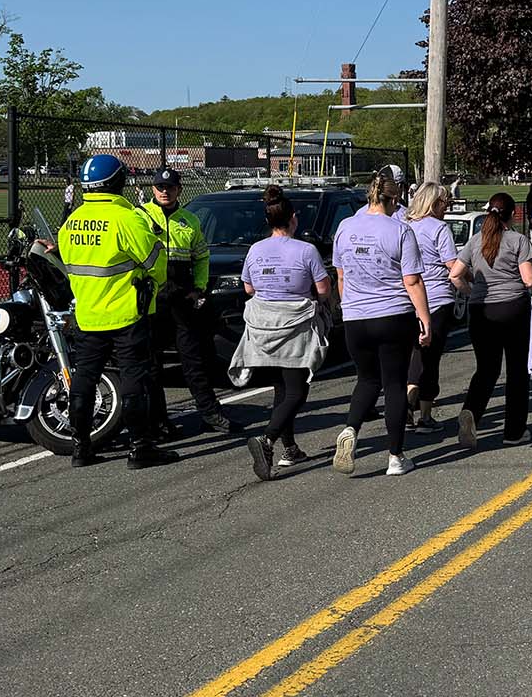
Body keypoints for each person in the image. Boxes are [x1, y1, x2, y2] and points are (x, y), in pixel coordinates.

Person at [58, 155, 167, 468]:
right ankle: (140, 448)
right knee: (134, 380)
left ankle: (81, 448)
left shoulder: (72, 221)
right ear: (119, 182)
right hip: (126, 314)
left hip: (87, 314)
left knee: (84, 379)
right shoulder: (126, 218)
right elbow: (156, 263)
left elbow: (68, 263)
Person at [331, 172, 432, 477]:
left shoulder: (345, 227)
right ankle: (395, 456)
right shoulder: (400, 230)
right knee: (394, 384)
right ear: (394, 199)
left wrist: (350, 307)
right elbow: (412, 281)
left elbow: (341, 276)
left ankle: (351, 428)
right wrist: (425, 319)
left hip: (355, 317)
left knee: (366, 379)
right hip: (392, 314)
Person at [229, 194, 330, 480]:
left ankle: (290, 448)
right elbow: (323, 289)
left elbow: (248, 288)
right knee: (297, 391)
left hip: (264, 328)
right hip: (294, 326)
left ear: (268, 220)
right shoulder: (306, 250)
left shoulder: (255, 249)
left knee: (282, 390)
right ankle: (267, 439)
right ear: (293, 218)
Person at [141, 168, 230, 436]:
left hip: (181, 298)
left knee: (193, 359)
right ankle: (158, 421)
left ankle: (211, 414)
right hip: (152, 299)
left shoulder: (190, 220)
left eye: (170, 187)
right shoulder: (140, 216)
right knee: (151, 364)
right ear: (153, 189)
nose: (164, 192)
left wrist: (199, 288)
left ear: (179, 190)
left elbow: (201, 257)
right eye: (160, 187)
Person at [457, 192, 532, 448]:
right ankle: (514, 431)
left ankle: (471, 412)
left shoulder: (475, 241)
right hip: (512, 308)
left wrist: (473, 292)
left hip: (480, 310)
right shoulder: (518, 240)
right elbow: (529, 279)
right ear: (512, 214)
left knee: (486, 369)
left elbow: (455, 274)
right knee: (517, 369)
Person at [403, 182, 466, 430]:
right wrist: (472, 279)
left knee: (415, 354)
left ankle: (407, 406)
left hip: (410, 298)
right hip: (437, 297)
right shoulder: (439, 228)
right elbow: (452, 264)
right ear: (434, 203)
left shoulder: (406, 226)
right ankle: (425, 416)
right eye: (444, 202)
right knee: (431, 359)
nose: (447, 207)